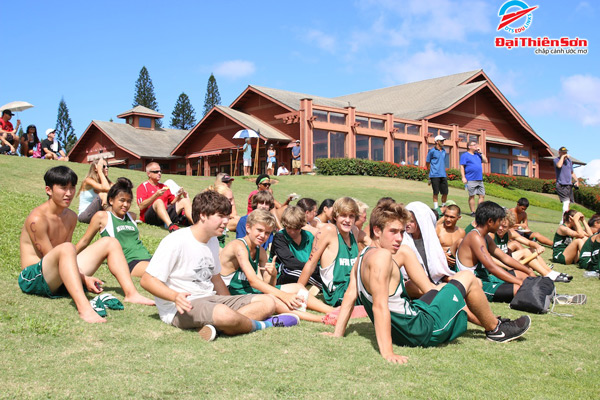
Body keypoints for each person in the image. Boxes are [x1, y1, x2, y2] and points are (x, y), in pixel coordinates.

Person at [326, 199, 531, 363]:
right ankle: (496, 330)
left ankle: (493, 322)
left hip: (403, 329)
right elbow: (379, 307)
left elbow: (350, 296)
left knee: (441, 288)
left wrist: (338, 334)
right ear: (377, 231)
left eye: (401, 231)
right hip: (420, 330)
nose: (399, 238)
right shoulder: (381, 257)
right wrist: (387, 353)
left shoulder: (362, 257)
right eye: (393, 232)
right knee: (467, 278)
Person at [140, 191, 298, 342]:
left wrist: (230, 302)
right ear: (203, 215)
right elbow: (147, 280)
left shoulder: (213, 240)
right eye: (221, 216)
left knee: (268, 302)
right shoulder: (176, 241)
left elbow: (216, 278)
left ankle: (220, 326)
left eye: (227, 217)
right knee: (224, 314)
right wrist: (174, 296)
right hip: (181, 307)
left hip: (211, 299)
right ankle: (263, 324)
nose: (226, 222)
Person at [18, 166, 154, 323]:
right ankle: (84, 309)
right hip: (35, 279)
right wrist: (83, 278)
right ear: (48, 190)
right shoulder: (37, 220)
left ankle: (132, 294)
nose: (69, 193)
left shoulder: (71, 216)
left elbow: (66, 257)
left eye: (72, 187)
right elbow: (51, 257)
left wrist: (81, 276)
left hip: (58, 275)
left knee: (110, 242)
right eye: (63, 188)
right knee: (68, 248)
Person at [221, 209, 334, 322]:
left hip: (247, 291)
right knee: (272, 299)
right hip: (231, 296)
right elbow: (253, 281)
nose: (262, 236)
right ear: (248, 228)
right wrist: (284, 295)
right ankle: (322, 319)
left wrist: (273, 275)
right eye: (259, 230)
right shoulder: (239, 246)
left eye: (267, 233)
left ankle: (332, 310)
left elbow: (267, 285)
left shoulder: (260, 251)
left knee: (297, 287)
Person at [455, 201, 533, 303]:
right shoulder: (475, 237)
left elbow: (505, 257)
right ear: (490, 221)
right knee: (520, 289)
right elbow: (492, 267)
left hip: (486, 278)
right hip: (475, 284)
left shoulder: (486, 237)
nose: (500, 224)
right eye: (499, 220)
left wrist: (528, 271)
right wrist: (519, 282)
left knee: (523, 275)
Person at [76, 177, 152, 277]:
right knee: (159, 272)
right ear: (111, 200)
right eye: (122, 200)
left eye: (129, 201)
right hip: (130, 262)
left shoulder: (131, 216)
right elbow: (84, 241)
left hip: (148, 258)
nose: (125, 204)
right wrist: (68, 258)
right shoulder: (102, 217)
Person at [298, 197, 368, 306]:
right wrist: (298, 294)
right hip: (337, 292)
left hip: (354, 286)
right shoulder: (329, 231)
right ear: (335, 216)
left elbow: (371, 243)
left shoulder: (354, 231)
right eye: (343, 215)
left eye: (351, 216)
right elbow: (311, 264)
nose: (348, 220)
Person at [491, 211, 572, 283]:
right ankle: (548, 275)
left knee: (532, 250)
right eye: (499, 225)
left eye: (504, 227)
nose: (500, 229)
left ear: (509, 227)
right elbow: (488, 257)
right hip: (498, 264)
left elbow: (528, 242)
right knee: (526, 253)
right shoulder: (492, 235)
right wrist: (506, 266)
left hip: (506, 259)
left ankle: (550, 272)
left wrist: (538, 246)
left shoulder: (509, 233)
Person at [400, 202, 455, 287]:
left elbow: (438, 271)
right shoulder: (402, 241)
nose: (407, 224)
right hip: (413, 284)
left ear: (421, 222)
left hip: (434, 282)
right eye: (406, 221)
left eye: (411, 221)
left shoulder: (431, 242)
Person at [272, 206, 323, 288]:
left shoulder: (309, 236)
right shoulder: (280, 237)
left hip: (307, 273)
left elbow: (317, 260)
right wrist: (312, 269)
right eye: (289, 228)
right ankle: (322, 288)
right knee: (293, 271)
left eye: (296, 228)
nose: (292, 232)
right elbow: (289, 263)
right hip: (284, 275)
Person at [136, 162, 192, 232]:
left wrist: (179, 194)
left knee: (185, 200)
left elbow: (172, 202)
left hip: (163, 215)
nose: (159, 173)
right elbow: (141, 206)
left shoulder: (164, 186)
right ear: (148, 174)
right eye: (156, 172)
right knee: (158, 201)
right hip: (150, 217)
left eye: (160, 171)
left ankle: (195, 224)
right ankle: (171, 226)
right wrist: (156, 195)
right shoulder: (143, 187)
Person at [76, 158, 113, 223]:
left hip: (97, 216)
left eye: (108, 166)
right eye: (103, 166)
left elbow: (117, 190)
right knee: (103, 194)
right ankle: (112, 218)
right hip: (85, 216)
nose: (106, 168)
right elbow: (106, 188)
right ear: (96, 168)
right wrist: (100, 171)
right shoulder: (88, 180)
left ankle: (117, 217)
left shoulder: (107, 182)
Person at [460, 140, 487, 217]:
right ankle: (473, 212)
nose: (476, 146)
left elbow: (485, 161)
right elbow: (462, 166)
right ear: (469, 147)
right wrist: (463, 177)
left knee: (482, 195)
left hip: (479, 179)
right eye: (474, 145)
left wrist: (481, 153)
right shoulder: (465, 155)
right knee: (472, 195)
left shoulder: (478, 155)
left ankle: (479, 212)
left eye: (476, 145)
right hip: (471, 179)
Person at [436, 203, 465, 270]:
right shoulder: (437, 229)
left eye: (452, 217)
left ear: (459, 218)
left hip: (455, 265)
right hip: (439, 263)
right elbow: (429, 248)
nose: (448, 219)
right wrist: (442, 255)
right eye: (446, 216)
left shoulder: (461, 232)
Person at [554, 146, 579, 222]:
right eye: (563, 152)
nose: (565, 154)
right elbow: (559, 165)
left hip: (569, 184)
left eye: (565, 152)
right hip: (561, 184)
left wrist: (576, 180)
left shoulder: (569, 161)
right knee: (566, 202)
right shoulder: (556, 160)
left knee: (568, 203)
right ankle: (563, 221)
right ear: (559, 153)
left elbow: (572, 172)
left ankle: (565, 220)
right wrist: (563, 157)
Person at [426, 135, 448, 209]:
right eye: (441, 141)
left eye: (443, 141)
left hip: (443, 174)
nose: (443, 142)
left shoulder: (444, 151)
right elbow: (427, 162)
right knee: (436, 192)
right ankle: (436, 208)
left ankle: (443, 206)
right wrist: (430, 172)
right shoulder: (432, 151)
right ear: (436, 142)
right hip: (434, 175)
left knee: (445, 192)